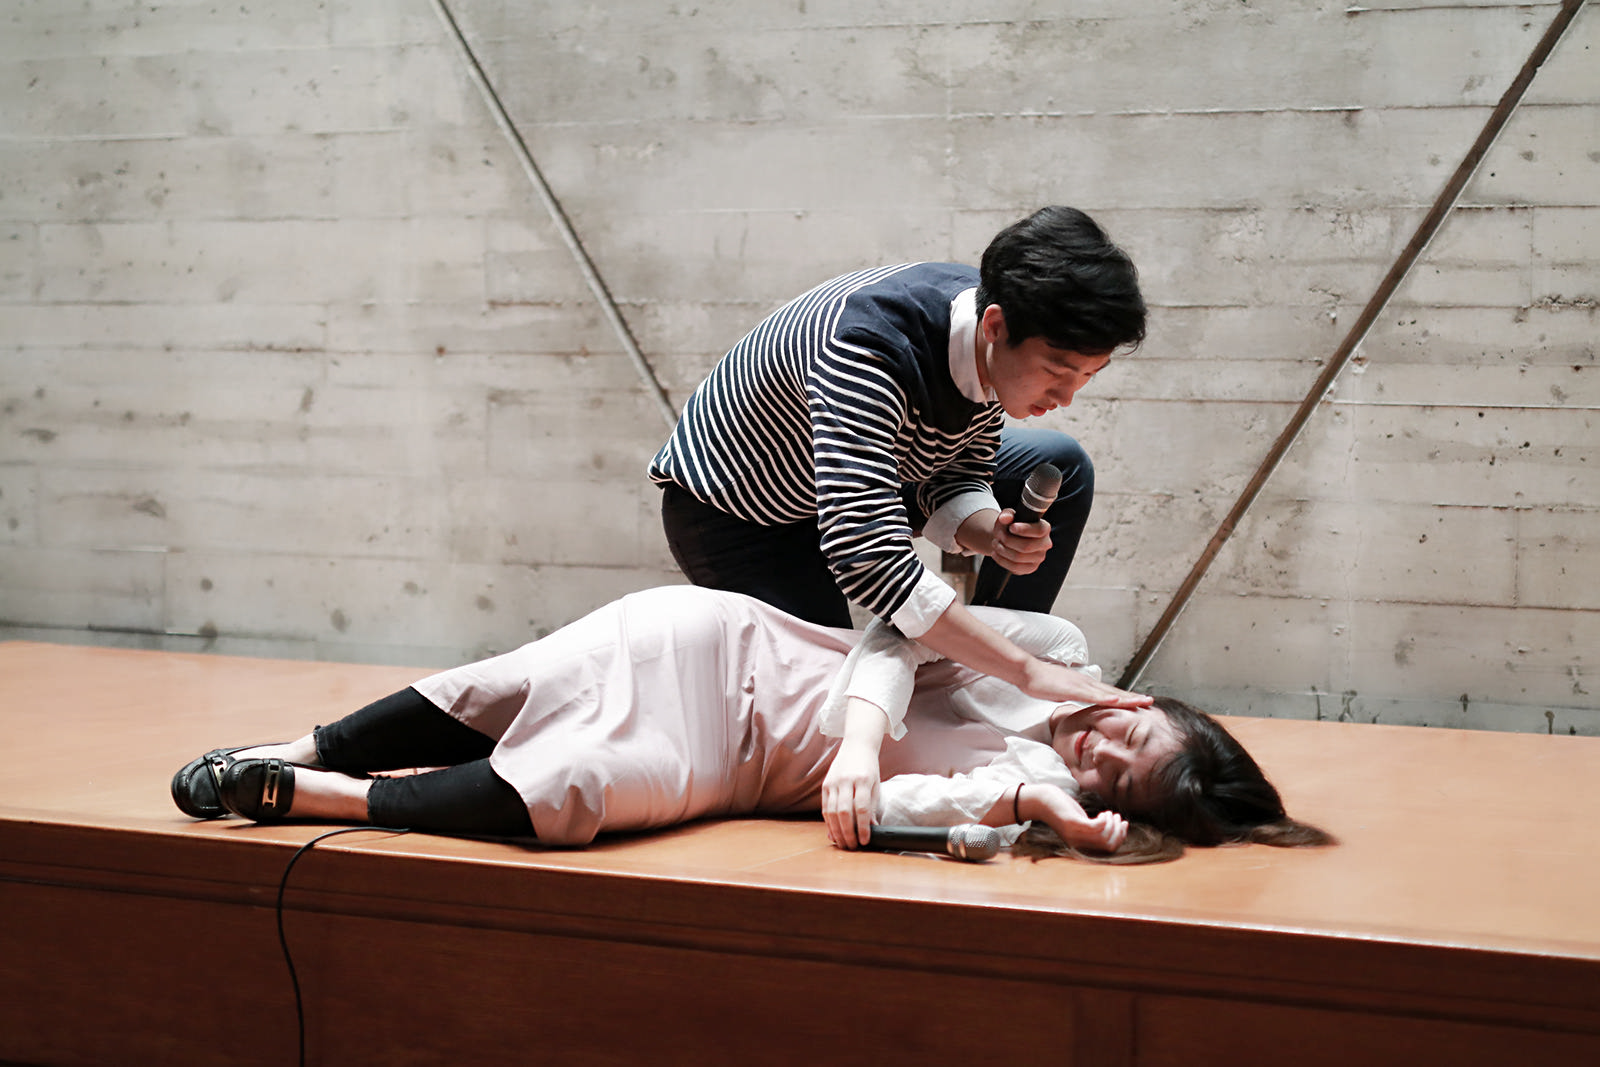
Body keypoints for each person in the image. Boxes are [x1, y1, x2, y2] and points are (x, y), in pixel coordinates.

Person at [170, 587, 1330, 862]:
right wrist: (864, 735)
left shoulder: (1033, 793)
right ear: (1151, 704)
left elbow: (880, 809)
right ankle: (304, 747)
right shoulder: (1058, 649)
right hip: (736, 648)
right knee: (509, 684)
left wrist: (1032, 801)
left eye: (1120, 778)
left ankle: (314, 794)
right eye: (1132, 734)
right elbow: (901, 628)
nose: (1103, 750)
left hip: (732, 756)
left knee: (574, 792)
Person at [649, 206, 1151, 714]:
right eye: (1056, 372)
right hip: (744, 510)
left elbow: (956, 469)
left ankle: (984, 686)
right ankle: (1001, 671)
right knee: (824, 708)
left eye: (1087, 376)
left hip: (871, 467)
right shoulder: (867, 348)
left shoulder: (995, 319)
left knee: (1062, 462)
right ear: (996, 326)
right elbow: (866, 555)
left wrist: (994, 538)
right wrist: (1027, 668)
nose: (1066, 397)